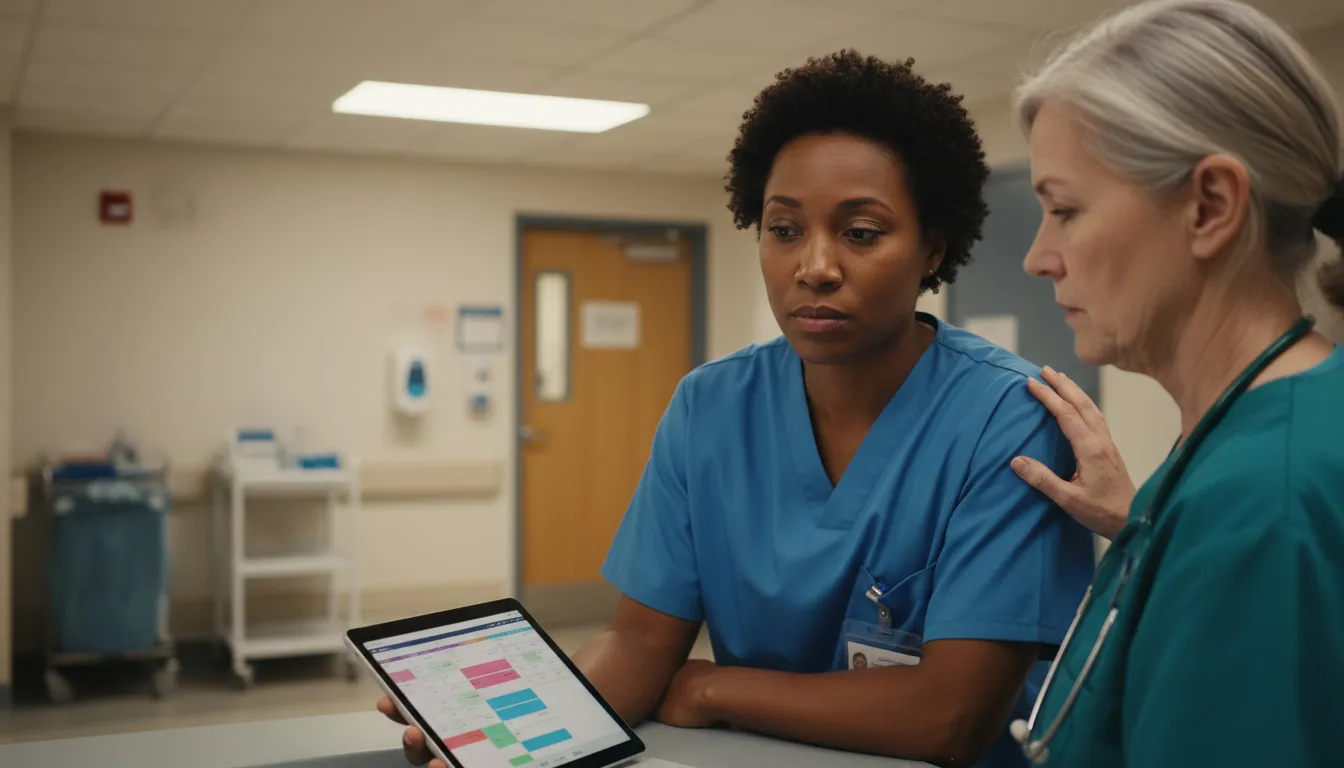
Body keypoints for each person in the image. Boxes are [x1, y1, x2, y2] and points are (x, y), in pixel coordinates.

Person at [382, 51, 1095, 768]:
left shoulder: (1007, 416)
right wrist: (519, 734)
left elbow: (949, 717)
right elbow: (640, 643)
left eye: (861, 232)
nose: (814, 266)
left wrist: (717, 689)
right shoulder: (710, 407)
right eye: (784, 230)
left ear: (932, 247)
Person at [1003, 2, 1344, 765]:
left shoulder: (1262, 505)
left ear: (1210, 207)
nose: (1039, 257)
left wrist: (1209, 547)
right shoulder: (1275, 432)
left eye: (1065, 209)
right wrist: (1151, 536)